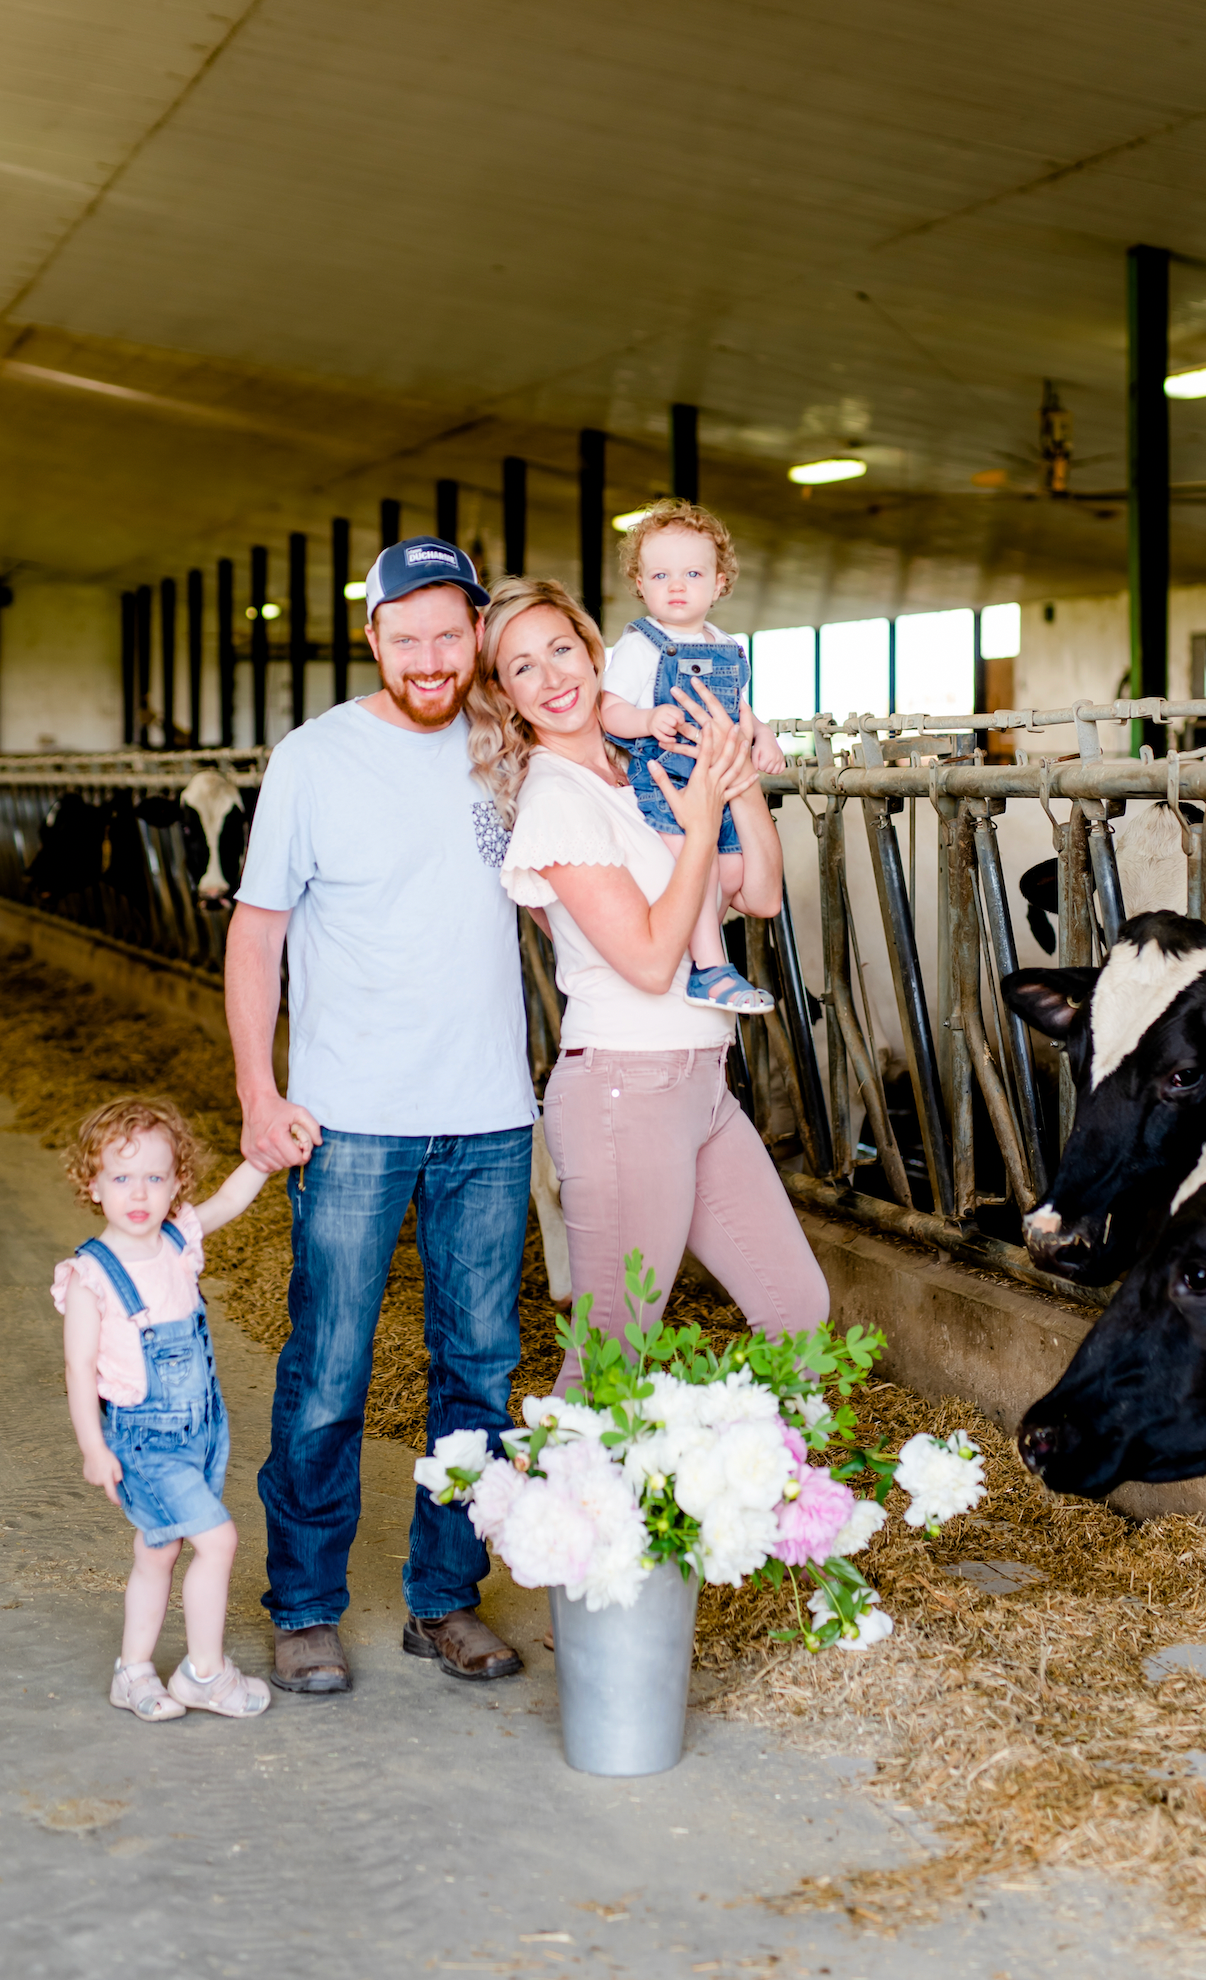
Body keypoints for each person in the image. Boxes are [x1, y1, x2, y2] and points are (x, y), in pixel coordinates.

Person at [226, 535, 536, 1696]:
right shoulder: (316, 758)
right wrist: (261, 1091)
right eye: (405, 636)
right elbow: (257, 929)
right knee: (327, 1369)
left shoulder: (507, 744)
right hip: (350, 1118)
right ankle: (304, 1604)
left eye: (449, 634)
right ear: (374, 638)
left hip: (490, 1117)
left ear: (473, 636)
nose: (429, 656)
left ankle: (442, 1600)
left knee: (480, 1372)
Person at [466, 576, 829, 1392]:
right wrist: (702, 828)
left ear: (596, 654)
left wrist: (737, 787)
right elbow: (652, 961)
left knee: (797, 1308)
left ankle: (740, 1501)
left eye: (562, 649)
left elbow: (762, 896)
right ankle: (540, 1517)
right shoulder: (554, 802)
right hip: (624, 1087)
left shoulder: (638, 768)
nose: (553, 677)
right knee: (613, 1351)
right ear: (503, 693)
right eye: (522, 668)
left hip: (701, 1081)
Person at [55, 1097, 272, 1721]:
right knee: (219, 1541)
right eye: (121, 1178)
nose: (139, 1193)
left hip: (203, 1430)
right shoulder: (91, 1276)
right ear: (92, 1184)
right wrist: (94, 1448)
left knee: (159, 1552)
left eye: (156, 1176)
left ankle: (133, 1671)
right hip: (144, 1443)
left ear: (179, 1181)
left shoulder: (177, 1239)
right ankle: (205, 1674)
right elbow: (78, 1368)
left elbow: (230, 1201)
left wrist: (263, 1155)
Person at [599, 499, 786, 1012]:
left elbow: (740, 709)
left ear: (720, 582)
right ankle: (710, 968)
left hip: (719, 784)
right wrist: (645, 721)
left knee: (729, 872)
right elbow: (608, 708)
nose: (676, 585)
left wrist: (764, 738)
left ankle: (695, 947)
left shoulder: (726, 645)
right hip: (668, 780)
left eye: (693, 573)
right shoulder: (641, 645)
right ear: (640, 583)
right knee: (699, 870)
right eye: (660, 574)